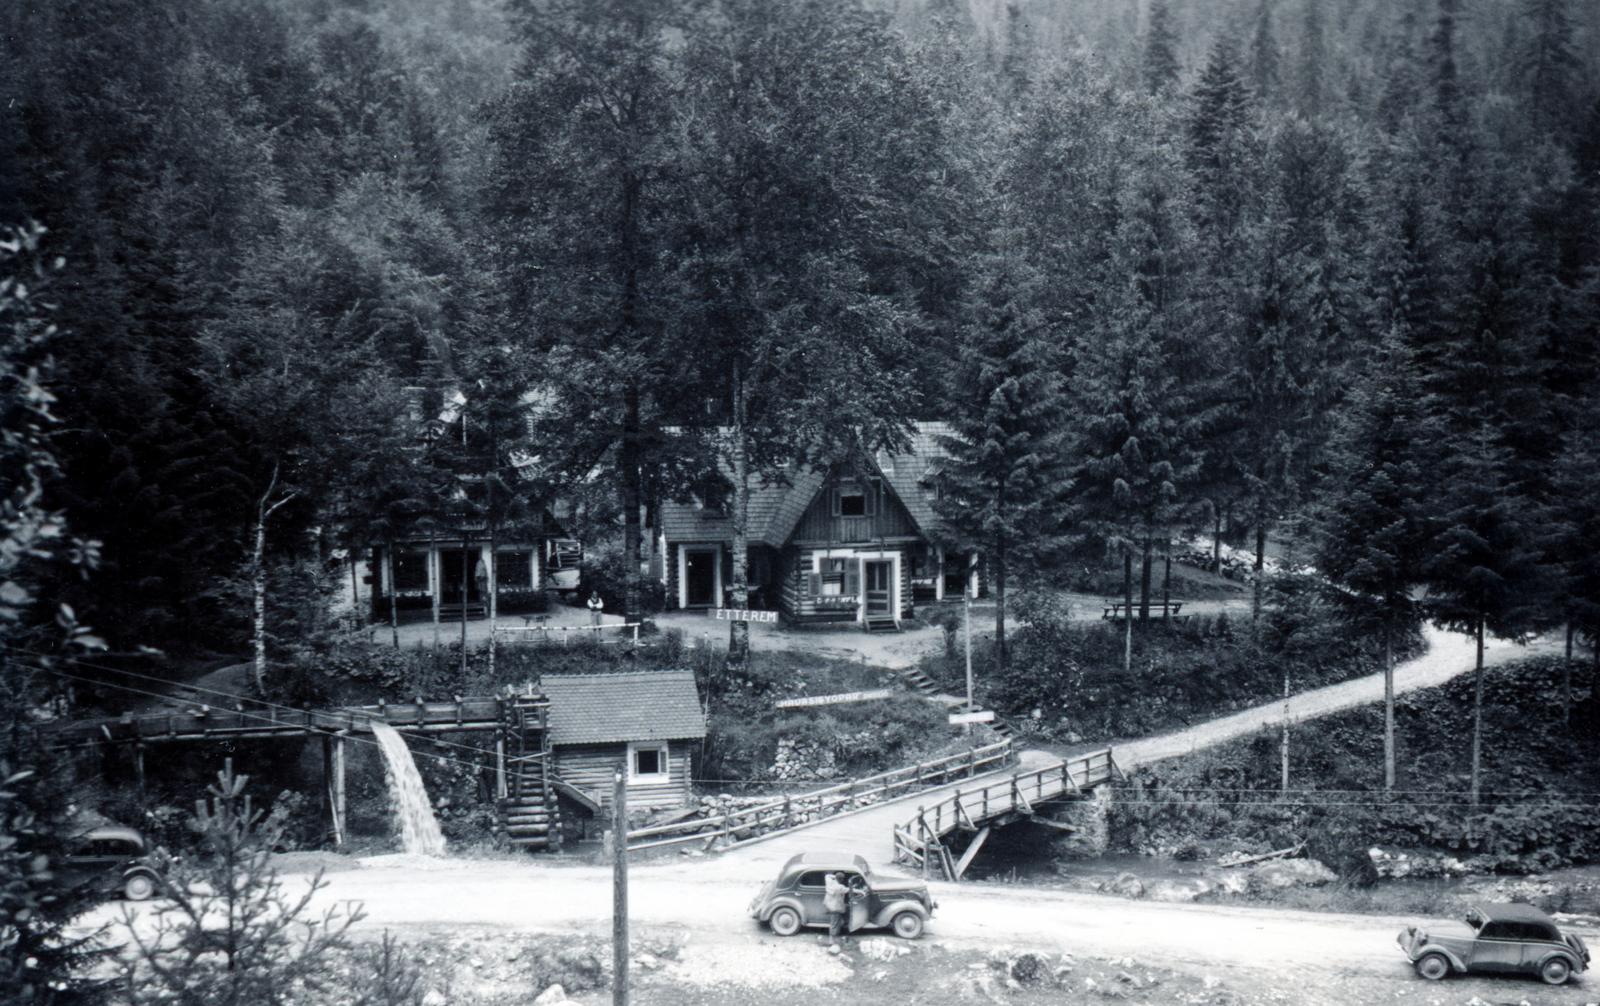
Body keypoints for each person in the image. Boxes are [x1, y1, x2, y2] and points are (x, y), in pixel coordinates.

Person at [822, 871, 848, 949]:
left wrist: (834, 877)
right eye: (842, 879)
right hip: (835, 907)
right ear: (841, 879)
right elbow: (848, 890)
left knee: (835, 922)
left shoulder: (830, 883)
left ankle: (835, 937)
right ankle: (831, 941)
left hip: (830, 904)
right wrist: (859, 891)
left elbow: (827, 876)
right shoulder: (839, 887)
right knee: (834, 923)